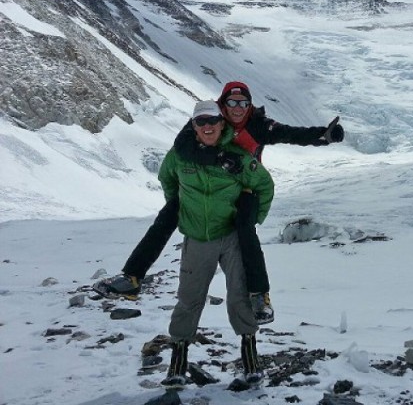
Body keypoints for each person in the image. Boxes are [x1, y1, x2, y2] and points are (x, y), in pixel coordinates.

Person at [93, 81, 345, 325]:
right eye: (232, 102)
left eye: (243, 102)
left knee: (246, 230)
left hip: (245, 186)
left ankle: (259, 295)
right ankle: (132, 277)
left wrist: (323, 136)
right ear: (223, 103)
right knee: (166, 218)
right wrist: (216, 160)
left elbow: (290, 134)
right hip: (205, 186)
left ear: (249, 105)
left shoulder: (258, 125)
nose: (237, 107)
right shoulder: (208, 116)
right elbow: (182, 147)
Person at [159, 100, 274, 388]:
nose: (207, 126)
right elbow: (167, 180)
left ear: (222, 123)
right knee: (189, 299)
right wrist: (182, 209)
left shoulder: (236, 156)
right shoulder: (179, 156)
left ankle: (250, 362)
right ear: (194, 126)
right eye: (201, 122)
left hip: (231, 237)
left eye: (212, 120)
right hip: (197, 239)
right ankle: (177, 366)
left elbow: (264, 184)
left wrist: (249, 222)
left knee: (240, 295)